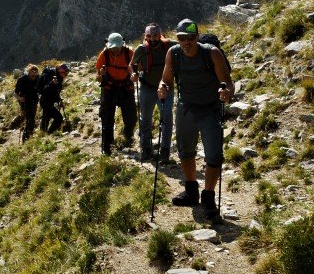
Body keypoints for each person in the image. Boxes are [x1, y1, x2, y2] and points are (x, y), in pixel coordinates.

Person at [157, 19, 234, 218]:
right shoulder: (172, 54)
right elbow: (166, 79)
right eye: (182, 38)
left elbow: (227, 82)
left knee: (214, 155)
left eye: (191, 37)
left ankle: (208, 196)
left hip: (210, 109)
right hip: (186, 109)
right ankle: (191, 191)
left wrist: (225, 92)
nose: (187, 42)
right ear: (178, 39)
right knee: (185, 151)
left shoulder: (212, 53)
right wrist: (163, 87)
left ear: (197, 37)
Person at [132, 24, 175, 162]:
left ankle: (165, 151)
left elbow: (186, 46)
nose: (152, 39)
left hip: (166, 88)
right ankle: (146, 149)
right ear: (145, 36)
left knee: (167, 119)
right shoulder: (141, 49)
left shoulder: (169, 46)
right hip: (147, 88)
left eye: (155, 35)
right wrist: (133, 74)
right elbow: (132, 65)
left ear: (160, 35)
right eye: (149, 36)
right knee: (145, 119)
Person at [95, 33, 138, 156]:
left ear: (122, 45)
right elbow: (97, 78)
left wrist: (134, 75)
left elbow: (136, 69)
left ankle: (127, 136)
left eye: (118, 47)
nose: (115, 49)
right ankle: (107, 145)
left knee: (132, 118)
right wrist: (101, 75)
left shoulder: (129, 53)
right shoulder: (104, 55)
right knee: (107, 117)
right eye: (113, 47)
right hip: (109, 88)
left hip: (126, 88)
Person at [37, 64, 69, 133]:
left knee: (47, 118)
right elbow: (44, 90)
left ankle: (43, 135)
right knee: (58, 118)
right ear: (61, 72)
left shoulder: (59, 79)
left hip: (50, 102)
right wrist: (52, 83)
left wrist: (59, 101)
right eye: (65, 73)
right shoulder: (51, 77)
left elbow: (56, 92)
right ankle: (46, 134)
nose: (66, 75)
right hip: (46, 101)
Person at [14, 64, 40, 142]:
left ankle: (28, 137)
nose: (34, 77)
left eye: (35, 75)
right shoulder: (21, 80)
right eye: (32, 75)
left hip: (34, 101)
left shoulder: (38, 79)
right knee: (30, 119)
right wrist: (20, 98)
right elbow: (15, 93)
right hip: (24, 101)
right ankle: (26, 139)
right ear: (29, 72)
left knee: (31, 119)